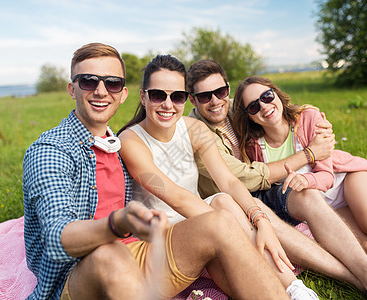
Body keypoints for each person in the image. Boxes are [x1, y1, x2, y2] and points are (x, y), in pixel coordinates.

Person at [22, 43, 289, 300]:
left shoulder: (112, 142)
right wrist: (118, 224)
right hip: (79, 275)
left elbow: (220, 184)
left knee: (220, 221)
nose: (101, 91)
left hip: (139, 254)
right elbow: (58, 240)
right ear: (72, 89)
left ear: (123, 94)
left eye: (112, 83)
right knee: (109, 255)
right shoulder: (51, 150)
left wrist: (246, 228)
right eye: (89, 81)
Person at [186, 60, 367, 300]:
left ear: (228, 89)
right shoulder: (200, 131)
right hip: (242, 196)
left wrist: (315, 122)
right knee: (366, 242)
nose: (215, 101)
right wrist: (309, 154)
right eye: (204, 96)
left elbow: (283, 110)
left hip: (335, 178)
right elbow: (246, 177)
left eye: (220, 92)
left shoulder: (238, 109)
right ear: (193, 99)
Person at [118, 54, 319, 299]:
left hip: (201, 223)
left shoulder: (195, 129)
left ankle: (294, 288)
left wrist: (261, 220)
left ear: (185, 98)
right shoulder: (130, 140)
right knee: (226, 225)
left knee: (223, 199)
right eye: (158, 95)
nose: (168, 105)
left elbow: (229, 181)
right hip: (164, 235)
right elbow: (176, 197)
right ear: (143, 96)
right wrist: (230, 231)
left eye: (177, 96)